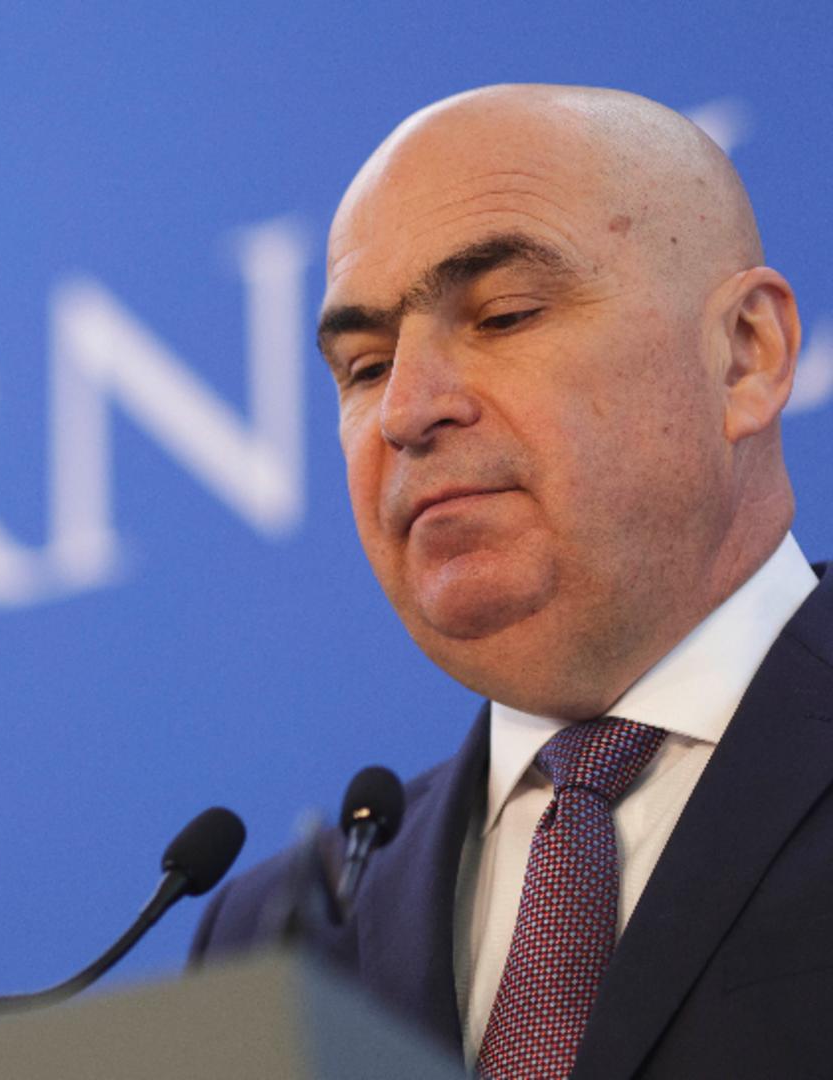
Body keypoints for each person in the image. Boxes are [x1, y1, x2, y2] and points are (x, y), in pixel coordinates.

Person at [191, 84, 833, 1079]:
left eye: (504, 315)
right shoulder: (272, 939)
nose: (406, 410)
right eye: (364, 367)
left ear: (745, 355)